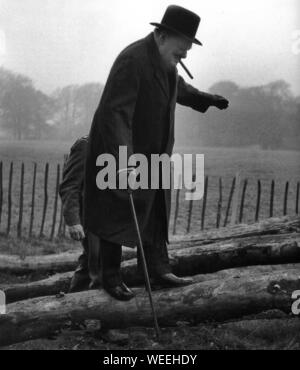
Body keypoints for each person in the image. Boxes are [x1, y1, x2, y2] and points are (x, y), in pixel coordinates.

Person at [84, 5, 229, 301]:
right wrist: (121, 162)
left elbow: (178, 87)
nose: (185, 55)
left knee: (154, 210)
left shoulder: (165, 61)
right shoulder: (132, 60)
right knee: (117, 207)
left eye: (188, 49)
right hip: (120, 148)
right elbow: (116, 114)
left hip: (154, 152)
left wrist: (206, 98)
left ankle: (156, 269)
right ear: (162, 36)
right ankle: (110, 276)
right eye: (182, 48)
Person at [59, 135, 102, 292]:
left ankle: (72, 302)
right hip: (90, 216)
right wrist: (73, 221)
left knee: (91, 259)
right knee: (97, 259)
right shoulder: (85, 145)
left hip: (109, 215)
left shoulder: (116, 144)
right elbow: (70, 185)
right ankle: (93, 306)